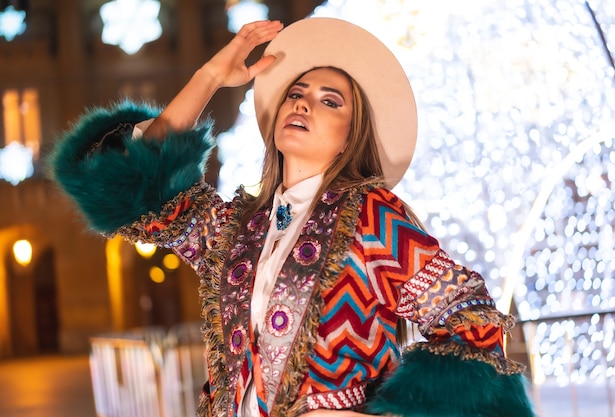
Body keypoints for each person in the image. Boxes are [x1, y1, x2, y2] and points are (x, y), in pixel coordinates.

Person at [50, 18, 534, 417]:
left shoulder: (372, 215)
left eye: (330, 100)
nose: (302, 102)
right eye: (296, 92)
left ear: (350, 136)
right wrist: (211, 77)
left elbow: (470, 321)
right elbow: (137, 190)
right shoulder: (236, 229)